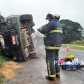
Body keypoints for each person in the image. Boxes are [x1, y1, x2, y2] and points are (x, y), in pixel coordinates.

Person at [37, 12, 63, 80]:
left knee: (50, 61)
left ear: (51, 17)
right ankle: (58, 74)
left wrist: (39, 29)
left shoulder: (51, 23)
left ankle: (51, 76)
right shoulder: (59, 24)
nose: (48, 20)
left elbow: (44, 30)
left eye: (48, 18)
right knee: (56, 60)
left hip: (51, 45)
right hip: (57, 45)